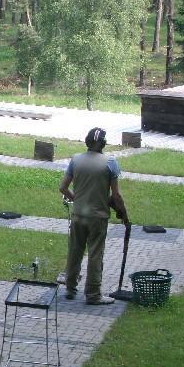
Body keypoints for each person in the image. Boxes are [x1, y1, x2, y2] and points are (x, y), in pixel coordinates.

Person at [58, 127, 129, 304]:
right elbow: (116, 195)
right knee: (95, 254)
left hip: (78, 214)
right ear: (103, 143)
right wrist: (125, 215)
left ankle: (70, 288)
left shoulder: (76, 159)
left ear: (87, 141)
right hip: (98, 217)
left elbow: (63, 188)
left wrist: (77, 199)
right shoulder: (110, 162)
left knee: (75, 251)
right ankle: (93, 294)